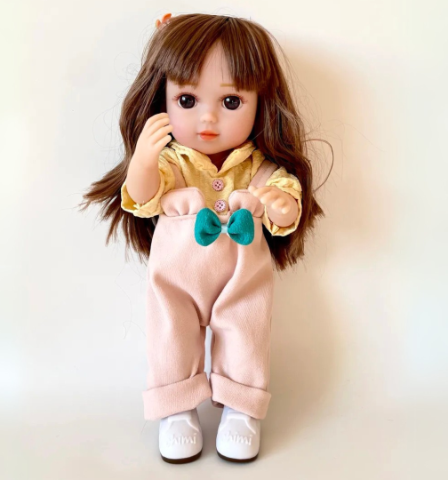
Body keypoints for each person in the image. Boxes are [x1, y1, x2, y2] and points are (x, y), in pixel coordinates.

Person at [79, 12, 332, 464]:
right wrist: (142, 160)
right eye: (187, 99)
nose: (208, 118)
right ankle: (176, 410)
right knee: (171, 335)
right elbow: (143, 197)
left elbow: (287, 201)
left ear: (261, 103)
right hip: (177, 276)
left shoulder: (255, 165)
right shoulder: (173, 162)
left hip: (242, 276)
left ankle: (241, 409)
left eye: (231, 101)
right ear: (163, 99)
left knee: (247, 332)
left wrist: (278, 204)